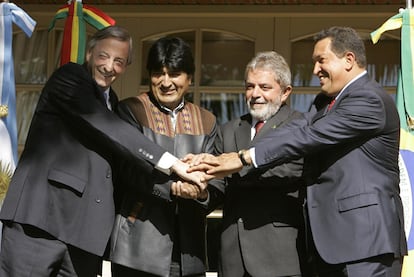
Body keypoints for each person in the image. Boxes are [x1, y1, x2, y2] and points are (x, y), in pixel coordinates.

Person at [188, 26, 407, 277]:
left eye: (320, 60)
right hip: (329, 247)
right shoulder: (324, 102)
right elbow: (293, 130)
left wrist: (244, 158)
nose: (315, 70)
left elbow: (308, 136)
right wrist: (222, 160)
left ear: (349, 60)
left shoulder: (369, 99)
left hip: (366, 243)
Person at [0, 26, 206, 277]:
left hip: (84, 236)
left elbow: (123, 165)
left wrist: (172, 186)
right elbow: (107, 126)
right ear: (89, 54)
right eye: (103, 56)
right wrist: (172, 163)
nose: (109, 66)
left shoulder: (114, 103)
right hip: (41, 222)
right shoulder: (69, 77)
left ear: (126, 66)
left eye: (119, 61)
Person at [109, 36, 225, 277]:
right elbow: (127, 169)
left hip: (190, 253)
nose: (165, 82)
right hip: (137, 250)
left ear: (189, 78)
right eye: (157, 73)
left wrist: (203, 193)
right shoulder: (131, 110)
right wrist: (171, 188)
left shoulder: (207, 120)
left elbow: (219, 178)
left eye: (174, 74)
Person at [216, 51, 308, 277]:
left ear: (285, 92)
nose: (254, 94)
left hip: (279, 256)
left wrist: (237, 166)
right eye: (249, 86)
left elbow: (294, 169)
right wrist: (198, 189)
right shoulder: (228, 129)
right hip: (232, 258)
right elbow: (218, 185)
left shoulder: (300, 126)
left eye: (264, 87)